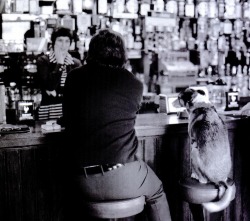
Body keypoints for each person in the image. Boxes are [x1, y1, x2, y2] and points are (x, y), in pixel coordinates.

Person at [62, 28, 172, 221]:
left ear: (91, 51)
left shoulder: (74, 77)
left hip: (81, 181)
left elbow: (67, 117)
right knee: (157, 193)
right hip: (123, 176)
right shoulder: (134, 84)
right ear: (122, 54)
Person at [36, 27, 81, 120]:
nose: (63, 45)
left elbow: (79, 90)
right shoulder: (43, 61)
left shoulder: (75, 63)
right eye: (60, 40)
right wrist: (60, 63)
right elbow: (50, 86)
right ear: (53, 42)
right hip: (49, 109)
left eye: (67, 41)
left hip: (71, 109)